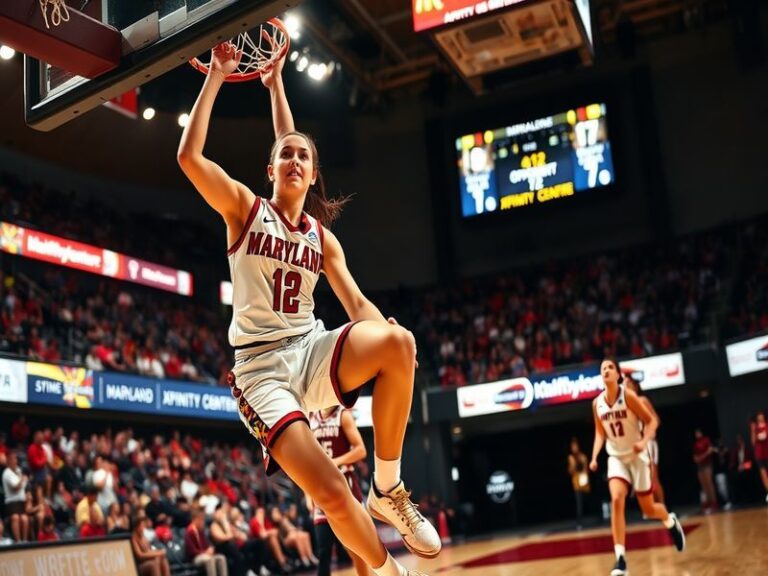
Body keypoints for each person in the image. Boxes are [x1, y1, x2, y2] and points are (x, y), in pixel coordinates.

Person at [177, 40, 439, 576]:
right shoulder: (244, 209)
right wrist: (218, 75)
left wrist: (387, 340)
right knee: (332, 492)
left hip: (311, 349)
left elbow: (356, 303)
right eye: (285, 155)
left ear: (314, 174)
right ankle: (387, 571)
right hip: (261, 372)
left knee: (399, 342)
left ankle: (388, 488)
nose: (294, 160)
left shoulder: (322, 238)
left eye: (304, 157)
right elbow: (189, 158)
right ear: (269, 168)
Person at [590, 358, 685, 576]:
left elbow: (652, 421)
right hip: (616, 457)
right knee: (616, 499)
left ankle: (669, 521)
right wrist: (594, 456)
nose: (606, 370)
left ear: (618, 375)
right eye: (603, 368)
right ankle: (620, 559)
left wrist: (643, 442)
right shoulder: (597, 403)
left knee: (648, 509)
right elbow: (599, 432)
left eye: (610, 367)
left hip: (637, 456)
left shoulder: (629, 396)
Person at [309, 406, 371, 576]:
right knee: (323, 550)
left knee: (356, 548)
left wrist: (335, 462)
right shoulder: (311, 416)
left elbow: (361, 450)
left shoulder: (342, 415)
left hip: (345, 486)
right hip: (321, 490)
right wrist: (307, 493)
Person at [624, 375, 665, 504]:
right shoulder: (626, 404)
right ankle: (651, 508)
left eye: (629, 384)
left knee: (653, 477)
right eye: (625, 384)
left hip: (648, 443)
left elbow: (656, 419)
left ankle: (663, 508)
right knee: (643, 479)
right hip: (637, 444)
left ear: (635, 386)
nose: (626, 386)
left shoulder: (642, 400)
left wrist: (649, 434)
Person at [185, 508, 228, 576]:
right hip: (196, 557)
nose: (203, 522)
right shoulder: (189, 531)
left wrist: (210, 549)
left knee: (221, 558)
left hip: (205, 554)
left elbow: (206, 544)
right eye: (201, 519)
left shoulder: (200, 530)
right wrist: (205, 552)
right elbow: (191, 551)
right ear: (195, 519)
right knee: (209, 559)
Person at [2, 452, 29, 542]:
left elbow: (24, 485)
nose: (15, 461)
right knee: (15, 518)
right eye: (13, 459)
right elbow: (16, 487)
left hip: (21, 502)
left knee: (25, 519)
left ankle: (24, 540)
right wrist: (22, 479)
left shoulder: (18, 470)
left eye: (16, 459)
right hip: (11, 503)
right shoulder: (7, 473)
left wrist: (23, 480)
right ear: (8, 461)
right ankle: (18, 541)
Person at [567, 438, 590, 529]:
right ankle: (579, 522)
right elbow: (570, 471)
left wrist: (584, 465)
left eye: (575, 446)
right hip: (576, 481)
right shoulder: (571, 458)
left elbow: (586, 470)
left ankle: (589, 520)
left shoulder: (583, 456)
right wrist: (573, 465)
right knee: (578, 502)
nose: (574, 448)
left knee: (586, 500)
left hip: (583, 480)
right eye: (572, 446)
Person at [693, 428, 717, 512]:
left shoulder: (706, 440)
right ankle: (708, 501)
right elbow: (695, 458)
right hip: (700, 466)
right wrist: (700, 457)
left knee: (709, 483)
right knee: (704, 485)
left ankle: (714, 501)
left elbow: (710, 450)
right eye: (696, 433)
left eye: (698, 432)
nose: (697, 434)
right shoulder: (695, 444)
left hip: (707, 464)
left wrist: (702, 456)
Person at [750, 410, 768, 503]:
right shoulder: (755, 428)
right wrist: (753, 431)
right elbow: (753, 442)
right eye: (758, 417)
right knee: (763, 475)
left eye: (761, 416)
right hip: (759, 454)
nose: (760, 418)